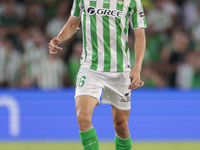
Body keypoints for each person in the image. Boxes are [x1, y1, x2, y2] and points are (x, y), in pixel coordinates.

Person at [49, 0, 147, 149]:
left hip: (119, 71)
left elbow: (140, 35)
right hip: (91, 68)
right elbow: (72, 24)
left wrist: (137, 67)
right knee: (82, 117)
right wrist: (59, 38)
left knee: (121, 126)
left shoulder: (132, 1)